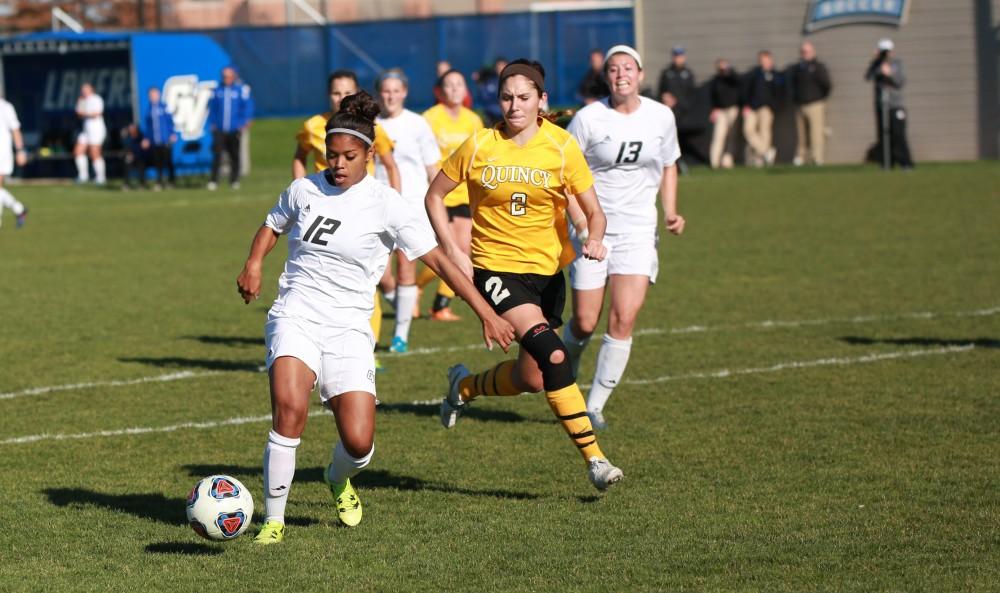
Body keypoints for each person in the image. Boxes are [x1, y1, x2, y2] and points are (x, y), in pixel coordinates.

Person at [236, 91, 514, 545]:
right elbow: (272, 225)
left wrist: (485, 311)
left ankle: (336, 477)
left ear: (370, 154)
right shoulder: (304, 189)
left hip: (349, 327)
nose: (339, 164)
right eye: (332, 156)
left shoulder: (389, 204)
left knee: (360, 444)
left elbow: (441, 262)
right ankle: (273, 521)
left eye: (349, 156)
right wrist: (253, 263)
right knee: (289, 410)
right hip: (296, 313)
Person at [425, 58, 625, 491]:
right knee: (556, 355)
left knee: (531, 378)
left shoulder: (561, 146)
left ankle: (464, 387)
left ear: (541, 100)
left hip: (547, 276)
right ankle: (596, 460)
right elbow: (435, 196)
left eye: (523, 97)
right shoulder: (479, 144)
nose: (514, 106)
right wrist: (454, 249)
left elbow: (595, 211)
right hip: (495, 270)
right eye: (506, 97)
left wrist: (593, 236)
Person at [562, 45, 685, 431]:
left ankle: (593, 406)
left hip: (637, 229)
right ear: (607, 77)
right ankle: (569, 365)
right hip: (592, 229)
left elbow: (669, 165)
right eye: (613, 69)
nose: (620, 75)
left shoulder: (661, 117)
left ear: (640, 74)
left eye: (627, 68)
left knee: (624, 316)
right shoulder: (587, 119)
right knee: (583, 321)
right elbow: (564, 176)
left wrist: (669, 211)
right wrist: (582, 227)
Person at [291, 69, 403, 365]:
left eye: (347, 93)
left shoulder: (371, 130)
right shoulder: (314, 125)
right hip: (324, 208)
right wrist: (300, 190)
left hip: (362, 209)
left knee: (369, 279)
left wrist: (393, 204)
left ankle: (368, 346)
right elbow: (299, 155)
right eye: (336, 92)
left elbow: (391, 166)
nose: (341, 98)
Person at [375, 68, 441, 353]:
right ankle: (403, 305)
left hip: (411, 204)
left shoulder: (417, 124)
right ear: (380, 93)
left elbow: (432, 167)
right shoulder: (371, 123)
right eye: (386, 91)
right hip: (375, 203)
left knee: (406, 267)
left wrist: (439, 206)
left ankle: (400, 335)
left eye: (395, 90)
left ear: (404, 93)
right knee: (378, 271)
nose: (390, 96)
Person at [419, 69, 485, 321]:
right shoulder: (430, 118)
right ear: (440, 90)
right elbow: (426, 156)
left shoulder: (473, 120)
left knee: (463, 249)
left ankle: (440, 304)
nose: (455, 89)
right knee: (447, 250)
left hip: (465, 193)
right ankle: (419, 288)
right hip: (440, 193)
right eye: (450, 85)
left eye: (460, 84)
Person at [865, 38, 913, 169]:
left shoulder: (897, 64)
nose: (885, 54)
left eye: (886, 51)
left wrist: (889, 73)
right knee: (883, 136)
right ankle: (887, 163)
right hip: (881, 105)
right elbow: (868, 77)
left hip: (895, 105)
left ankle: (906, 163)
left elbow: (900, 82)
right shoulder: (876, 64)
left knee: (898, 134)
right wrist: (875, 62)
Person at [208, 66, 254, 190]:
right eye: (224, 76)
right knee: (217, 154)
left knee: (234, 155)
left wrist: (244, 122)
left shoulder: (240, 90)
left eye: (228, 76)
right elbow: (212, 109)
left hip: (234, 129)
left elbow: (247, 107)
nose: (226, 79)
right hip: (220, 129)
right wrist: (212, 124)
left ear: (233, 77)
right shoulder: (217, 91)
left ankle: (234, 180)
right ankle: (213, 180)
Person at [789, 41, 832, 166]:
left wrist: (820, 97)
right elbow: (792, 85)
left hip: (815, 104)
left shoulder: (819, 67)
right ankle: (800, 157)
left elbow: (827, 85)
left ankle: (816, 158)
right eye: (803, 52)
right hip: (800, 104)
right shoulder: (797, 69)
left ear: (813, 52)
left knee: (816, 133)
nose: (805, 54)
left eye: (807, 51)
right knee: (801, 134)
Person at [657, 46, 697, 167]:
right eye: (675, 56)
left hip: (683, 113)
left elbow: (692, 95)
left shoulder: (688, 73)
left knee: (681, 139)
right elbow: (661, 91)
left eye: (680, 56)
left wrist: (678, 102)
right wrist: (665, 98)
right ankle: (671, 163)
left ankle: (682, 162)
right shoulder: (666, 73)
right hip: (669, 111)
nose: (677, 59)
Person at [742, 50, 782, 167]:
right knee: (748, 130)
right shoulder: (754, 74)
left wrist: (774, 106)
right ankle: (766, 153)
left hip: (767, 108)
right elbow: (745, 90)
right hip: (752, 108)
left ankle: (760, 160)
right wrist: (746, 105)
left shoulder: (776, 75)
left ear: (770, 60)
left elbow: (780, 92)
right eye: (761, 60)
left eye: (765, 59)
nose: (763, 62)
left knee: (765, 132)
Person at [0, 95, 28, 228]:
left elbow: (15, 130)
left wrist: (20, 150)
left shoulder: (5, 107)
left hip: (2, 152)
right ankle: (19, 209)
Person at [708, 58, 742, 169]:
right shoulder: (715, 80)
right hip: (720, 111)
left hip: (732, 109)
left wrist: (728, 70)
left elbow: (737, 81)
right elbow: (712, 97)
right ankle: (714, 162)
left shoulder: (732, 77)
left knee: (731, 137)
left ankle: (727, 161)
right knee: (718, 136)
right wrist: (713, 109)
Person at [141, 87, 177, 190]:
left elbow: (170, 122)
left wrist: (172, 133)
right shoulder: (149, 110)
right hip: (155, 140)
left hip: (165, 139)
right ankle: (159, 182)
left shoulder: (164, 107)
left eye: (155, 94)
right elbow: (148, 126)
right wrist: (147, 138)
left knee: (168, 161)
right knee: (158, 163)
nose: (153, 97)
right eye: (151, 95)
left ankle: (171, 181)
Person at [73, 83, 107, 185]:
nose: (83, 91)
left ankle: (101, 177)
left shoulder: (97, 99)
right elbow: (79, 114)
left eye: (86, 89)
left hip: (96, 129)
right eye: (82, 89)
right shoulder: (82, 100)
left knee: (95, 153)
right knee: (78, 151)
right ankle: (83, 176)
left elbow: (97, 114)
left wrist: (84, 113)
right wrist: (80, 105)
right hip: (86, 130)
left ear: (91, 89)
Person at [474, 57, 507, 126]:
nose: (500, 68)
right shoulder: (489, 81)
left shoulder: (510, 81)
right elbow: (483, 98)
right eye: (498, 66)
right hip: (490, 117)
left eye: (502, 65)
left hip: (505, 116)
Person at [120, 124, 149, 190]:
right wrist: (129, 154)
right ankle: (126, 184)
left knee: (141, 165)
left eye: (133, 128)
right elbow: (127, 148)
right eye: (130, 129)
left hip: (140, 156)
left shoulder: (141, 136)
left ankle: (142, 184)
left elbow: (144, 147)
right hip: (131, 157)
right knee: (126, 164)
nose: (131, 130)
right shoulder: (128, 137)